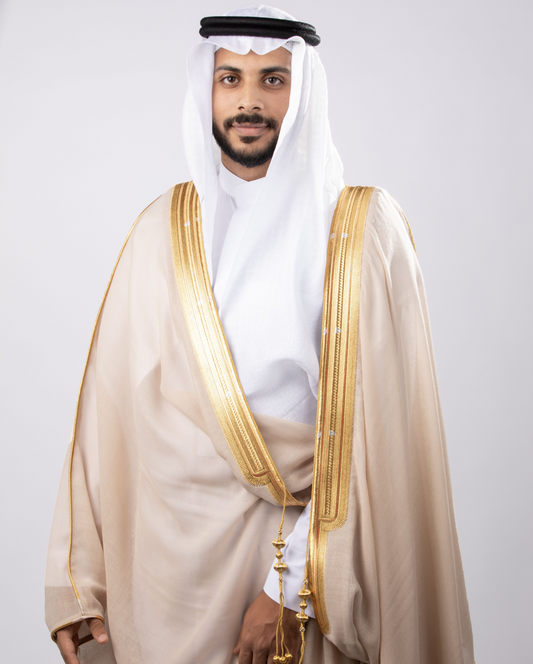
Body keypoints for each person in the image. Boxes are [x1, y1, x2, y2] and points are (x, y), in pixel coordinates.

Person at [45, 6, 475, 664]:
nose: (249, 101)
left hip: (295, 572)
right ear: (207, 89)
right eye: (231, 79)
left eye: (273, 79)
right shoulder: (159, 229)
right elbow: (107, 424)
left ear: (302, 91)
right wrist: (82, 581)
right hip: (162, 584)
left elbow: (373, 443)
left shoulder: (360, 232)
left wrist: (289, 588)